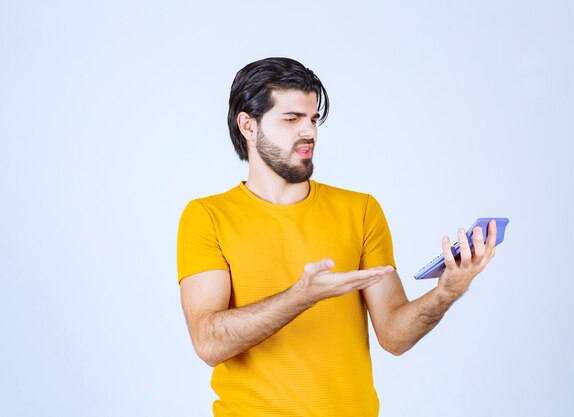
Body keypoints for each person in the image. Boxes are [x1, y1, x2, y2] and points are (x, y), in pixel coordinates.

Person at [177, 57, 498, 417]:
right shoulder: (206, 217)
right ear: (248, 126)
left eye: (313, 119)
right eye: (291, 119)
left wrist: (447, 292)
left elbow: (394, 336)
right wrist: (302, 296)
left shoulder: (360, 210)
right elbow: (208, 341)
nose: (309, 132)